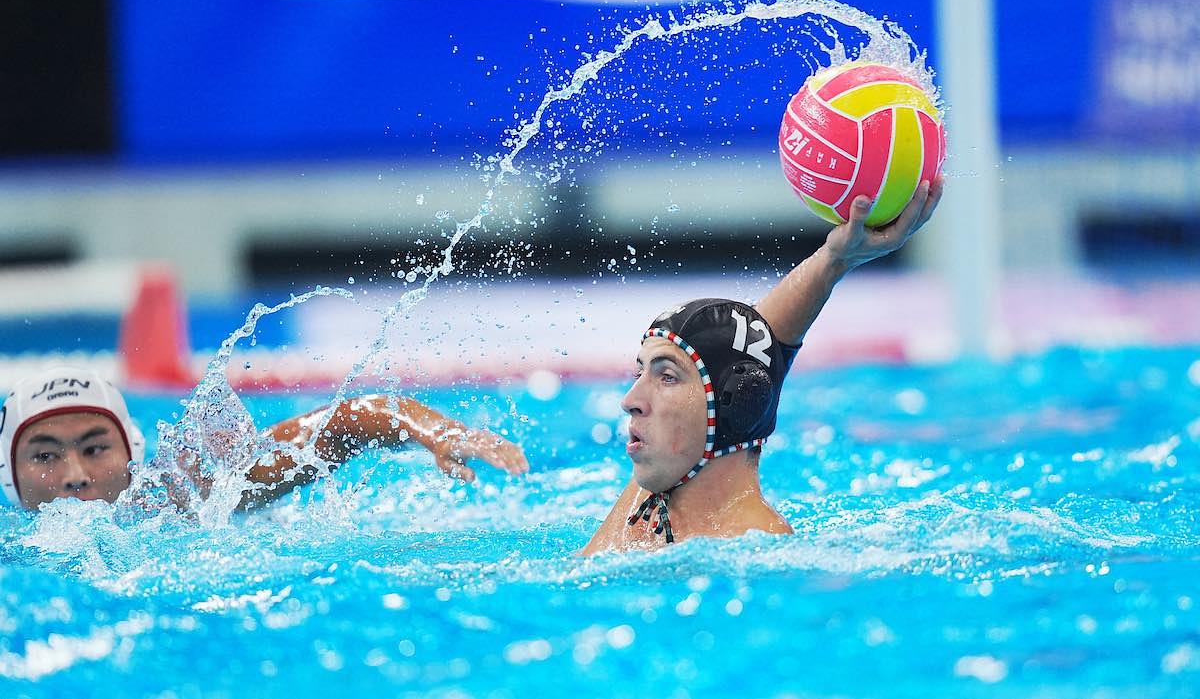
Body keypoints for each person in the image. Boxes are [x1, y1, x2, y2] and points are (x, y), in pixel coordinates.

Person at [582, 178, 944, 554]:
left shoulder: (759, 552)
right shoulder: (650, 503)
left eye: (667, 377)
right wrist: (834, 259)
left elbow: (745, 362)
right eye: (639, 373)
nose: (630, 400)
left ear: (733, 404)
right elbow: (753, 348)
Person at [0, 364, 528, 512]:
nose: (75, 476)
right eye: (45, 455)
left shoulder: (186, 502)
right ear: (9, 473)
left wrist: (438, 432)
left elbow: (343, 421)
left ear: (132, 455)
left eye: (96, 448)